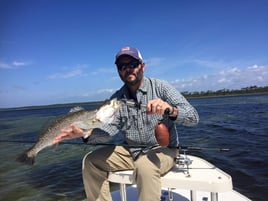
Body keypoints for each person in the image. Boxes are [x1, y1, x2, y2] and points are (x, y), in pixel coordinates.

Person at [53, 46, 199, 201]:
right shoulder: (116, 100)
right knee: (91, 162)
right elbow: (107, 132)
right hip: (131, 150)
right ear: (118, 71)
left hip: (164, 150)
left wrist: (171, 110)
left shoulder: (161, 87)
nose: (128, 69)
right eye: (122, 66)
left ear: (142, 65)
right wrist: (85, 133)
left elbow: (193, 117)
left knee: (145, 166)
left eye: (133, 64)